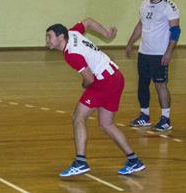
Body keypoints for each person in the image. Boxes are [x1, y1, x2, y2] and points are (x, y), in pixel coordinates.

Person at [45, 19, 145, 177]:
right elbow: (88, 22)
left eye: (49, 37)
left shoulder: (71, 54)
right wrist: (106, 34)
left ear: (61, 37)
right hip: (116, 77)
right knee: (106, 124)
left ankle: (80, 161)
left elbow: (90, 79)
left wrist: (84, 84)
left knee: (78, 117)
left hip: (104, 82)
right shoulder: (72, 32)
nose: (47, 41)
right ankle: (134, 160)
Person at [125, 0, 180, 132]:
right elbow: (140, 25)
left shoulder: (169, 7)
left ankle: (165, 119)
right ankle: (144, 116)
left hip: (159, 54)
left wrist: (168, 52)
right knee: (143, 83)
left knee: (160, 85)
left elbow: (176, 31)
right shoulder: (144, 4)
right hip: (144, 52)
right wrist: (130, 43)